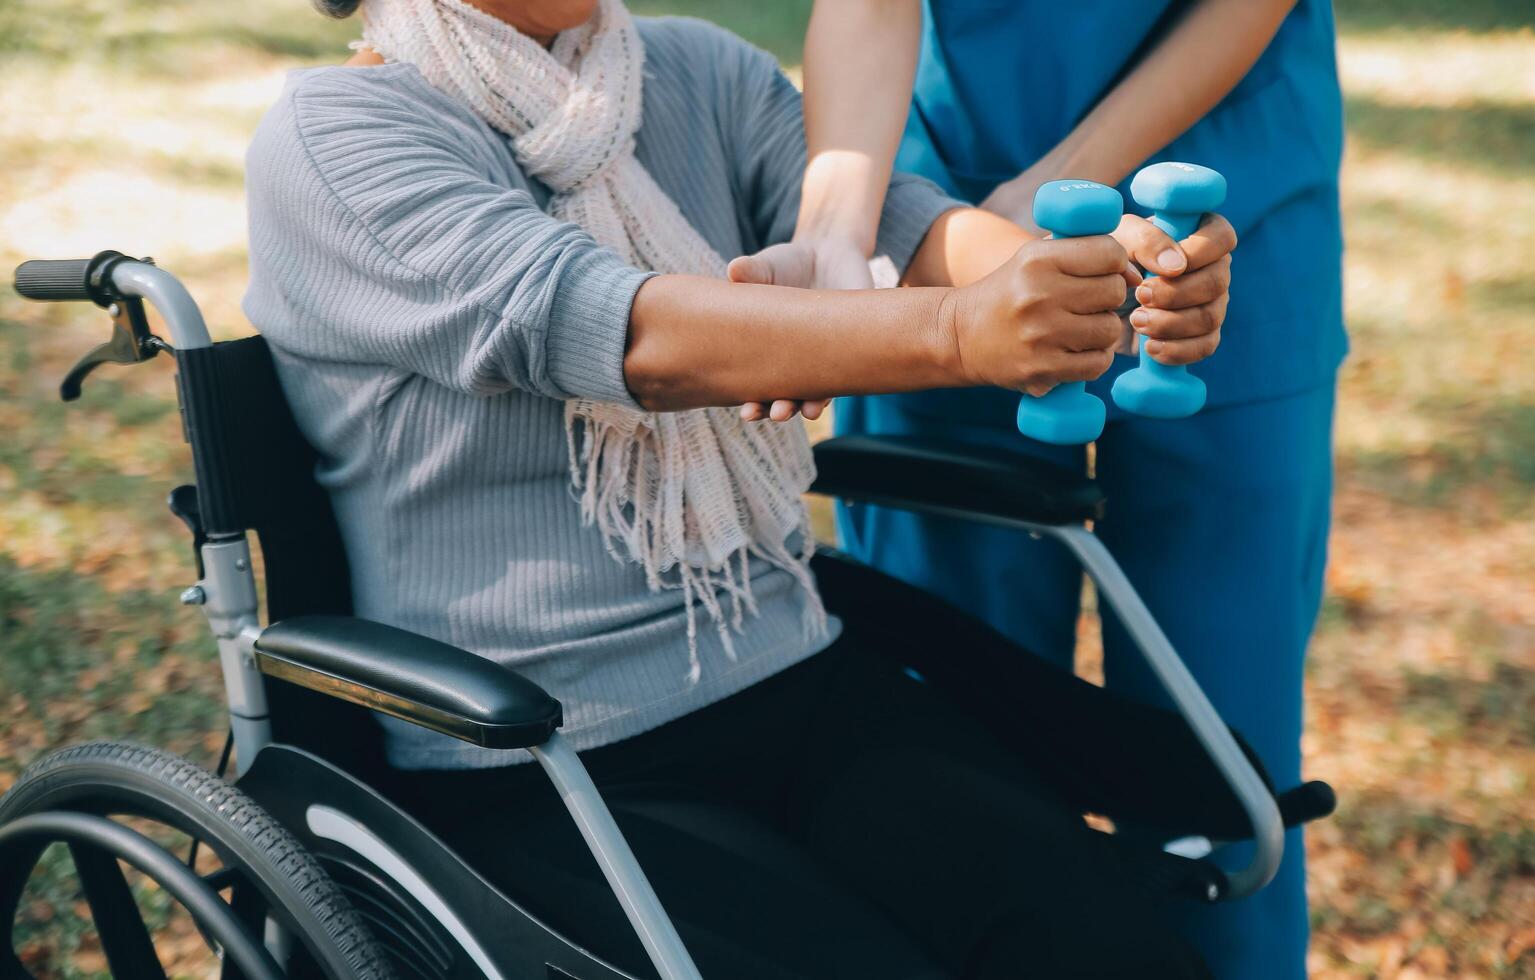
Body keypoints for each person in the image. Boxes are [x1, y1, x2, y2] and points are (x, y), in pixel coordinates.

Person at [244, 0, 1236, 974]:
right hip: (537, 749)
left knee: (1112, 949)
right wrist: (957, 332)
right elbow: (624, 332)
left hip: (791, 670)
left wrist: (1103, 277)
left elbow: (911, 233)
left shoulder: (696, 71)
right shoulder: (338, 133)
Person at [792, 2, 1346, 976]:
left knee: (1220, 760)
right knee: (949, 737)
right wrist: (835, 244)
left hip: (1230, 203)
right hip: (941, 216)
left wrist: (1051, 187)